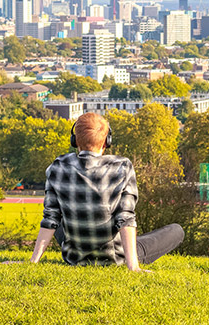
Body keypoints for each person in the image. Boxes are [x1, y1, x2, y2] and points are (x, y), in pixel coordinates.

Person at [29, 112, 184, 271]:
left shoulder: (58, 166)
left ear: (75, 141)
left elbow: (50, 218)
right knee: (176, 230)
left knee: (58, 218)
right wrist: (134, 267)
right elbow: (125, 218)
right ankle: (130, 257)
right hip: (114, 258)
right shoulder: (122, 167)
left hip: (75, 258)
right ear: (106, 141)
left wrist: (33, 261)